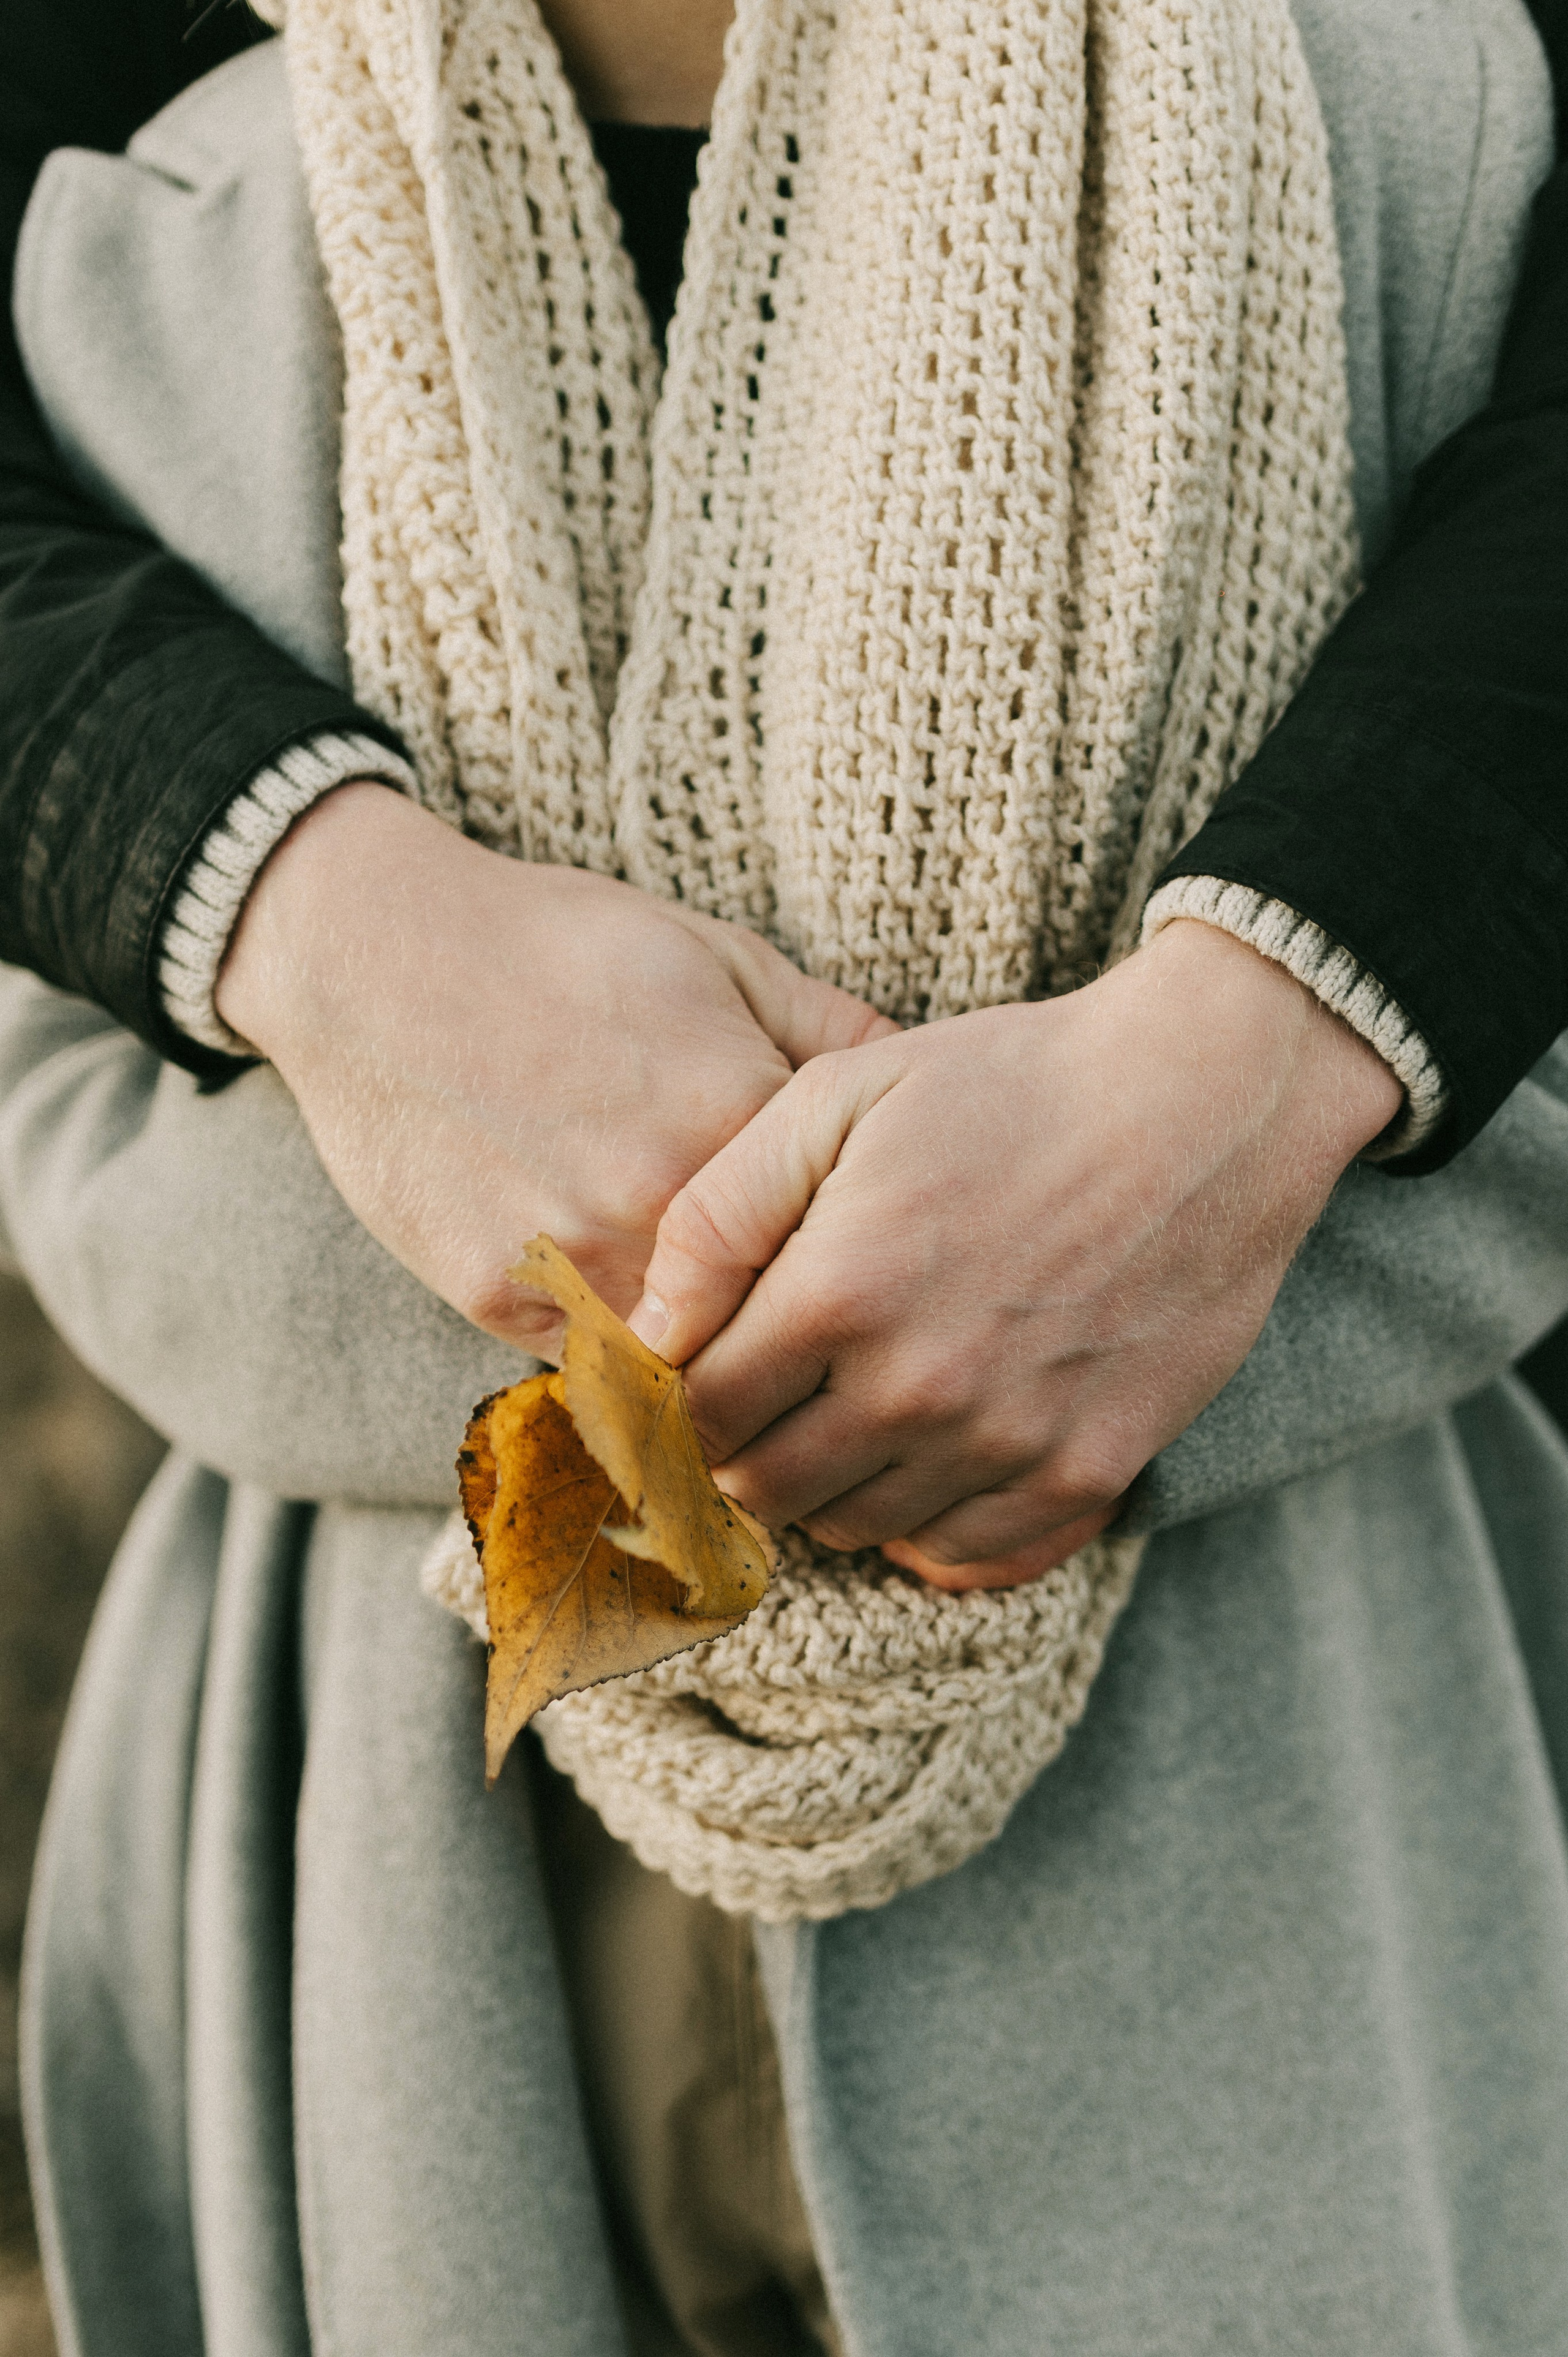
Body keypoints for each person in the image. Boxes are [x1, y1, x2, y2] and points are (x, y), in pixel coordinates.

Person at [2, 1, 1567, 2351]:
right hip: (409, 1827)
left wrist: (1282, 1038)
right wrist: (305, 906)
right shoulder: (162, 190)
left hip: (1293, 1782)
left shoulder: (1423, 114)